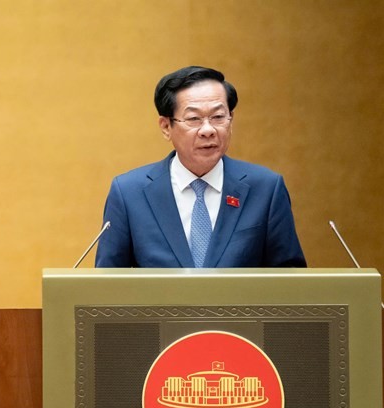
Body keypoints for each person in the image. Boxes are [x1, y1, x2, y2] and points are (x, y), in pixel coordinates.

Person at [94, 66, 306, 268]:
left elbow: (290, 280)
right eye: (194, 119)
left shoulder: (266, 189)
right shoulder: (129, 193)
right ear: (166, 127)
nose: (208, 130)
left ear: (231, 120)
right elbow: (108, 283)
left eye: (218, 117)